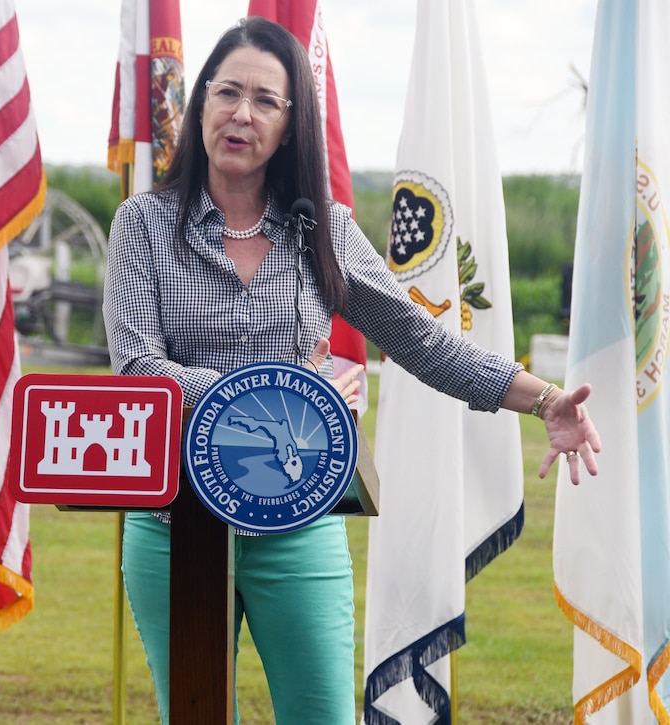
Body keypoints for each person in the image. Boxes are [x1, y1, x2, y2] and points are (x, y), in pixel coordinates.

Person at [101, 16, 601, 725]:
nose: (242, 113)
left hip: (298, 521)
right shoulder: (142, 224)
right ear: (201, 104)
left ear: (290, 125)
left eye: (266, 101)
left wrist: (542, 397)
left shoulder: (325, 232)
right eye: (227, 92)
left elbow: (425, 343)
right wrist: (282, 396)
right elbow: (139, 368)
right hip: (171, 523)